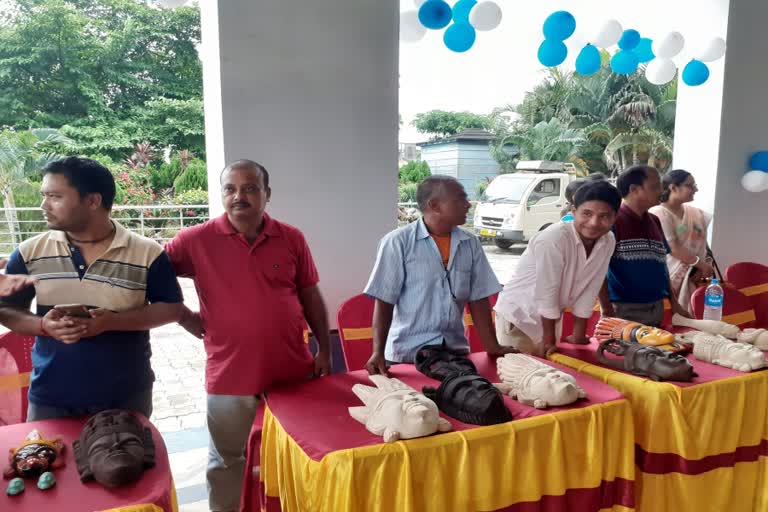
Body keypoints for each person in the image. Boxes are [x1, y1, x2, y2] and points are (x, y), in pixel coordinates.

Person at [165, 159, 331, 512]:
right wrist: (184, 317)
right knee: (225, 461)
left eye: (250, 188)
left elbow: (310, 296)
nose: (239, 196)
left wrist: (325, 349)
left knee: (299, 454)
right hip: (230, 374)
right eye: (230, 188)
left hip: (292, 371)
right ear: (222, 194)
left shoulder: (291, 237)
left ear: (267, 194)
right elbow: (155, 277)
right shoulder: (195, 240)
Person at [0, 157, 184, 421]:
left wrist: (111, 322)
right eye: (44, 195)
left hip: (126, 396)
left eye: (55, 196)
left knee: (125, 462)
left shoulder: (147, 253)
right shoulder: (30, 253)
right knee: (48, 462)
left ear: (93, 201)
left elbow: (171, 309)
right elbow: (6, 310)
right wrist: (44, 326)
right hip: (50, 396)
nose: (44, 205)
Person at [364, 175, 517, 375]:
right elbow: (385, 301)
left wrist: (493, 346)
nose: (468, 204)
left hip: (454, 354)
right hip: (407, 357)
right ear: (435, 205)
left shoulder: (470, 243)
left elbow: (479, 299)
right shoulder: (397, 243)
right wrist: (378, 352)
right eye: (460, 199)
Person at [496, 180, 621, 357]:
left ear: (615, 217)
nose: (594, 223)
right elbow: (547, 291)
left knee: (549, 374)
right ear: (573, 211)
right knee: (518, 375)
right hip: (520, 317)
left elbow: (591, 286)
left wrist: (578, 334)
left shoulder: (608, 240)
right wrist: (548, 340)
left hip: (551, 319)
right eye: (587, 213)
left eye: (604, 216)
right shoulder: (553, 238)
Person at [598, 166, 691, 327]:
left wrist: (674, 302)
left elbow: (662, 266)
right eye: (655, 186)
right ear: (634, 189)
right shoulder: (613, 221)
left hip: (656, 308)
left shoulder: (654, 220)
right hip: (623, 310)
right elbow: (598, 270)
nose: (662, 191)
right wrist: (606, 310)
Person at [649, 170, 714, 315]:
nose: (695, 189)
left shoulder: (695, 213)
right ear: (673, 188)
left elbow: (703, 245)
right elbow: (673, 248)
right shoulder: (659, 212)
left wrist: (704, 267)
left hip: (697, 274)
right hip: (671, 276)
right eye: (690, 185)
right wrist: (700, 264)